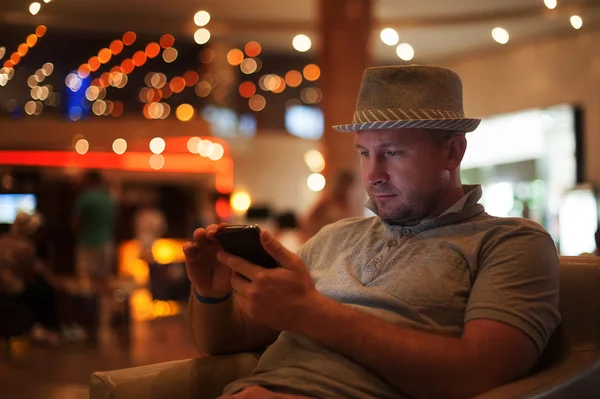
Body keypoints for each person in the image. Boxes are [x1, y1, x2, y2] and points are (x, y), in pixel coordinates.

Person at [184, 66, 561, 399]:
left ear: (452, 152)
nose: (373, 175)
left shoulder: (509, 242)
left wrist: (314, 314)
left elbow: (480, 372)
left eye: (393, 152)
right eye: (364, 153)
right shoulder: (334, 237)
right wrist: (211, 294)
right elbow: (228, 341)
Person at [0, 212, 61, 344]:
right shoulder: (25, 246)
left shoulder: (3, 240)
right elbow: (32, 273)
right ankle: (47, 329)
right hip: (12, 288)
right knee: (46, 292)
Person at [73, 170, 116, 334]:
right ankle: (113, 312)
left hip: (88, 243)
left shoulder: (84, 199)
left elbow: (76, 223)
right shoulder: (109, 198)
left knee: (89, 282)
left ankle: (91, 319)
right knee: (104, 279)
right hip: (106, 242)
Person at [302, 170, 357, 239]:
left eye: (349, 187)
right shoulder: (327, 201)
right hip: (323, 239)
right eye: (345, 186)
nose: (346, 190)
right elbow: (309, 220)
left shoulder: (347, 205)